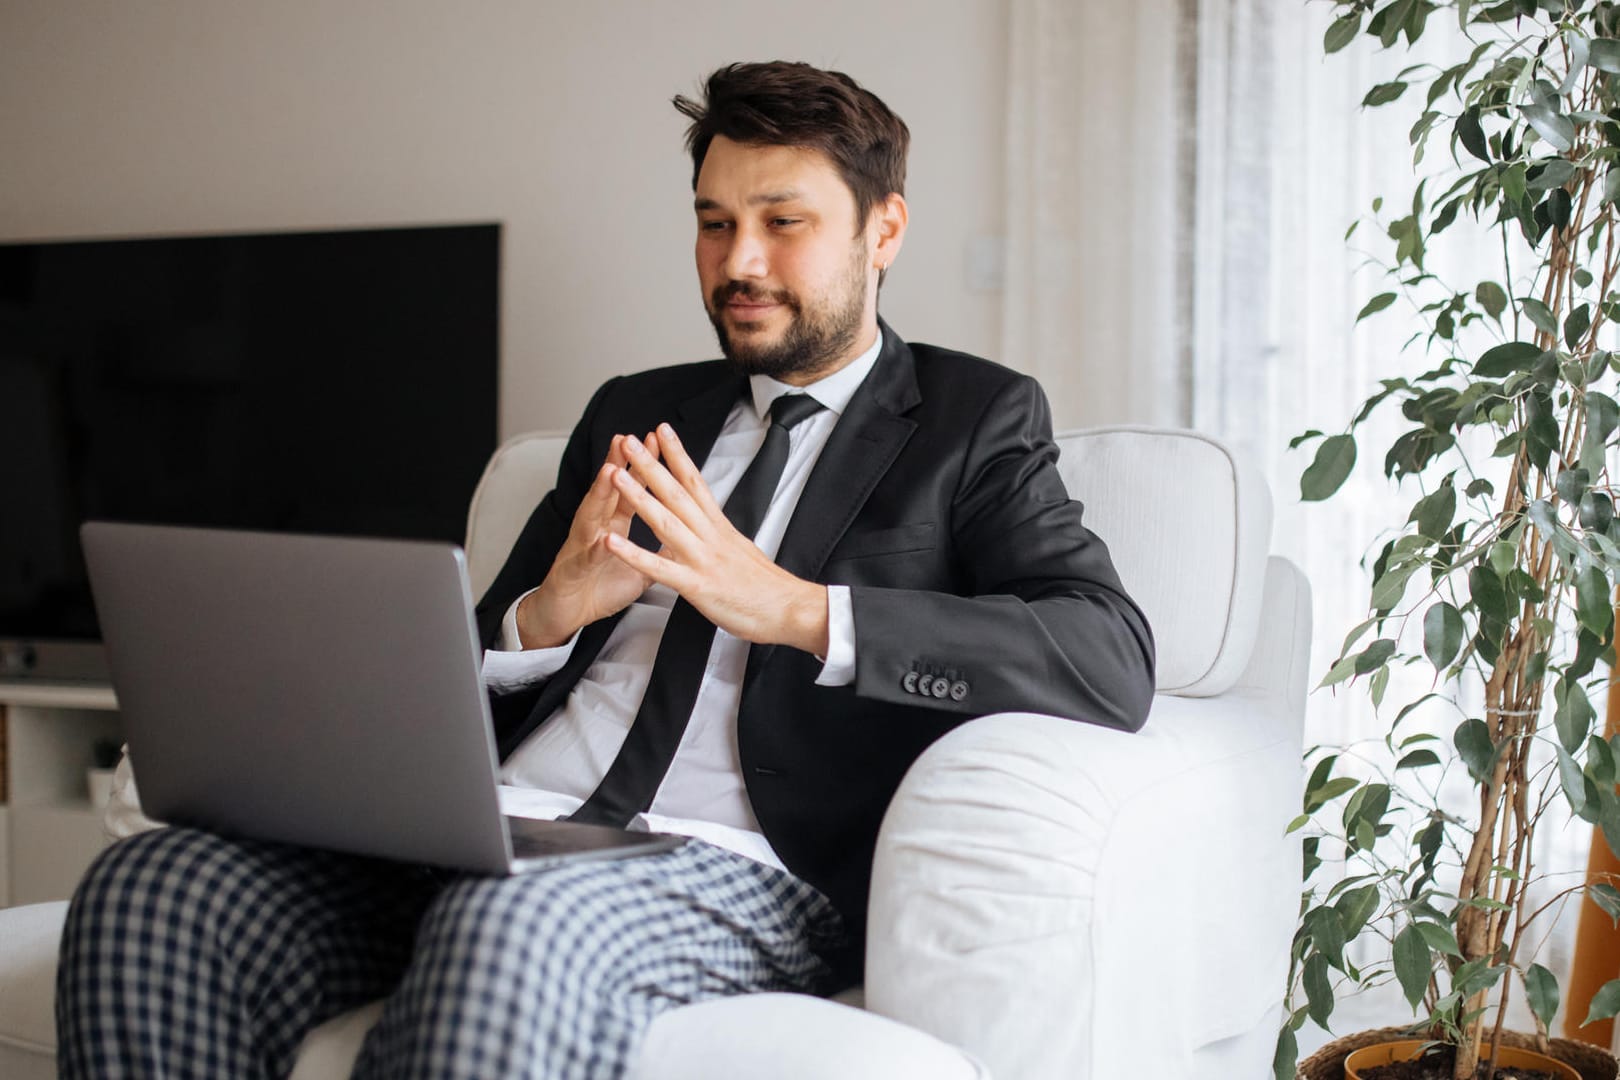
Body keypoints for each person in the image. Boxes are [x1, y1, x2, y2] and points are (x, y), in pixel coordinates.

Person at [57, 61, 1155, 1080]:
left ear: (885, 230)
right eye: (715, 224)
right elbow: (473, 653)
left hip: (725, 867)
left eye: (785, 224)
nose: (741, 264)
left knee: (507, 927)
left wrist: (800, 610)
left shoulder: (971, 421)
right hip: (494, 829)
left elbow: (1106, 657)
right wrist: (545, 615)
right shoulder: (636, 410)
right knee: (155, 887)